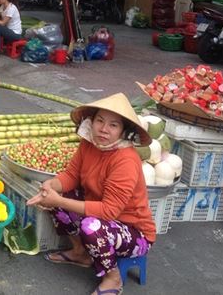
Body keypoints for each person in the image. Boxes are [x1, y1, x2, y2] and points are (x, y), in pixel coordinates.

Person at [27, 93, 156, 295]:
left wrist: (58, 199)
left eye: (113, 125)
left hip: (134, 232)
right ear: (91, 121)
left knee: (91, 226)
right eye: (100, 121)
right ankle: (80, 253)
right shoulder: (89, 144)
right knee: (59, 197)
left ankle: (113, 278)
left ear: (124, 131)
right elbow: (71, 175)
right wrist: (51, 185)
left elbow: (109, 211)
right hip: (101, 213)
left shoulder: (125, 160)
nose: (104, 129)